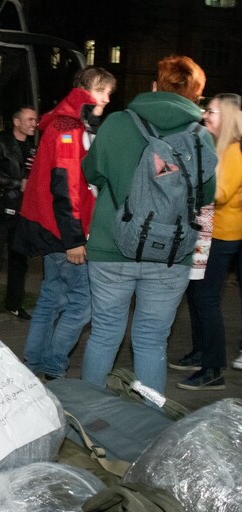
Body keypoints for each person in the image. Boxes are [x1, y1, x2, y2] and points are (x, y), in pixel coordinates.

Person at [80, 55, 216, 394]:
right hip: (171, 254)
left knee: (105, 332)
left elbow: (91, 172)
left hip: (112, 247)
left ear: (154, 86)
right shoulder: (201, 137)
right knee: (153, 340)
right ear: (196, 96)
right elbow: (206, 195)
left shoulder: (117, 123)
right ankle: (151, 423)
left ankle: (88, 416)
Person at [14, 66, 116, 380]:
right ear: (85, 90)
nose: (107, 99)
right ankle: (54, 365)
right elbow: (66, 186)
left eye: (109, 93)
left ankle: (33, 364)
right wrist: (74, 240)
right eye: (102, 91)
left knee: (50, 298)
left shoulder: (68, 123)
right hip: (65, 232)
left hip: (51, 228)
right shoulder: (68, 127)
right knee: (81, 304)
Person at [173, 93, 242, 390]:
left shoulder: (233, 150)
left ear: (227, 117)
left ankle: (214, 369)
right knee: (197, 293)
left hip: (222, 235)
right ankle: (201, 353)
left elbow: (220, 194)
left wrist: (188, 180)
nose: (205, 115)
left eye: (211, 111)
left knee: (206, 299)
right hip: (211, 231)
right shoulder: (219, 147)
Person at [0, 105, 38, 320]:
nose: (34, 124)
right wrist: (18, 183)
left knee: (20, 260)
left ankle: (14, 303)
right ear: (17, 121)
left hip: (24, 211)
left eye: (35, 120)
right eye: (29, 119)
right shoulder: (2, 142)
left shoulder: (33, 147)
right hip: (3, 207)